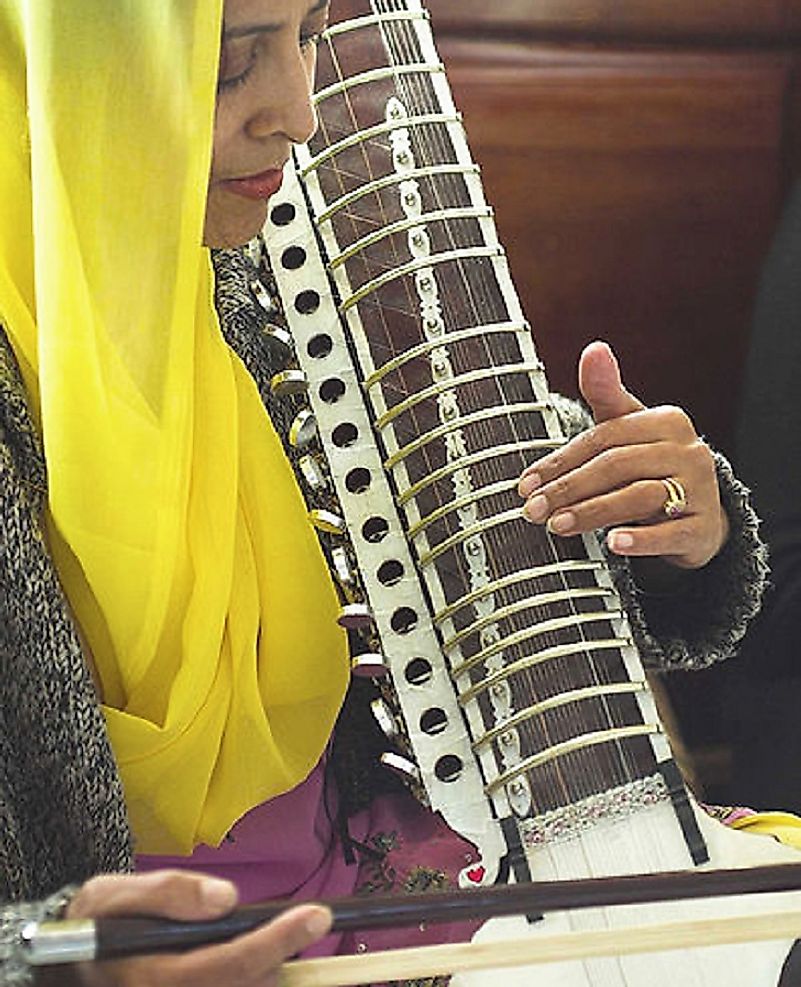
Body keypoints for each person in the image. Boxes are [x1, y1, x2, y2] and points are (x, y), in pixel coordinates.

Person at [0, 0, 773, 984]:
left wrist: (672, 530)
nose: (300, 113)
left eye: (311, 36)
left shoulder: (253, 268)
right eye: (232, 62)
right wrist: (44, 953)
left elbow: (510, 529)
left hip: (452, 885)